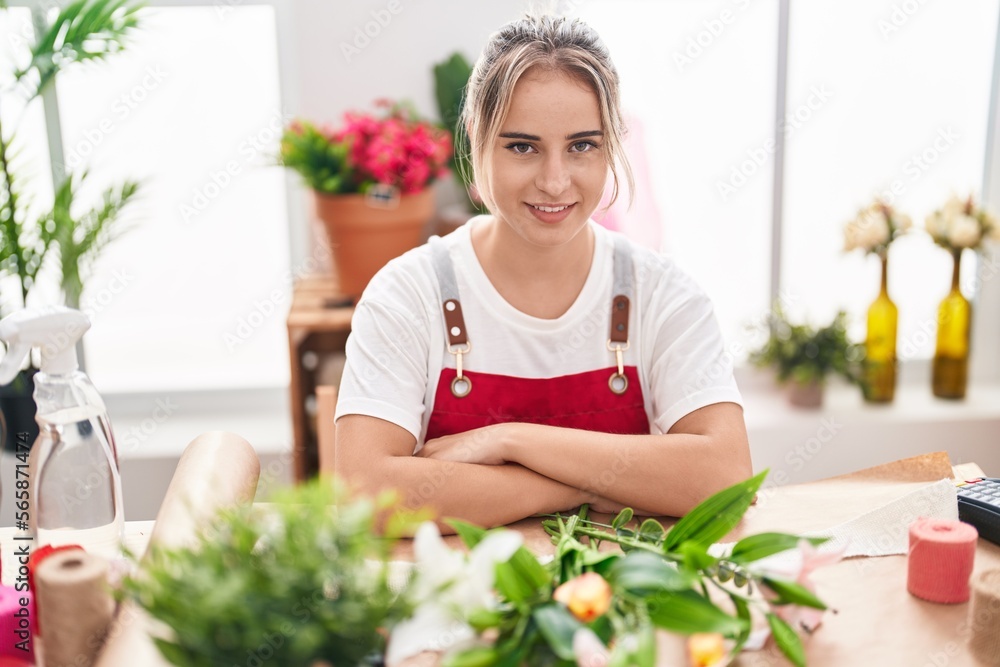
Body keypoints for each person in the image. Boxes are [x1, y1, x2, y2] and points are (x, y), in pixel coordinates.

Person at [335, 13, 752, 529]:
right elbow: (366, 494)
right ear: (475, 137)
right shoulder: (408, 293)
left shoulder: (664, 294)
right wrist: (579, 485)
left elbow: (727, 477)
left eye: (582, 145)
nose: (555, 182)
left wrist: (508, 440)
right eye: (522, 147)